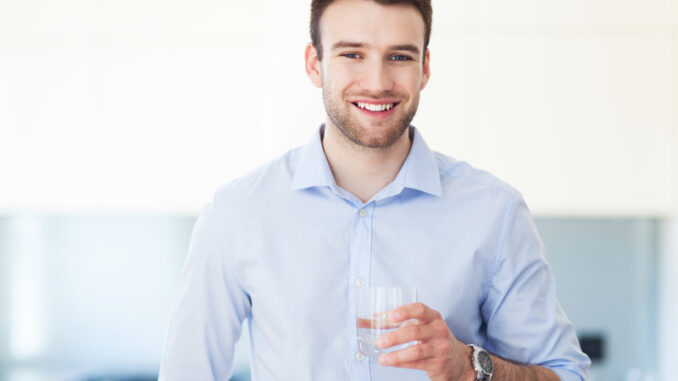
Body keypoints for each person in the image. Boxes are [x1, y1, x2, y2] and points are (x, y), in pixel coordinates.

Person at [158, 0, 591, 380]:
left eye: (399, 57)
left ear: (424, 69)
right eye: (352, 53)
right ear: (315, 63)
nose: (378, 81)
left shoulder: (495, 214)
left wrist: (468, 366)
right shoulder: (237, 214)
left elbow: (566, 375)